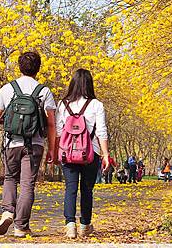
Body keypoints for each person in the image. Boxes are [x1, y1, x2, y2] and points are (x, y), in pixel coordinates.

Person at [0, 52, 57, 238]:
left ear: (19, 67)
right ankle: (21, 226)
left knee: (10, 178)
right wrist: (52, 149)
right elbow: (51, 124)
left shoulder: (7, 89)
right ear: (38, 68)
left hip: (11, 143)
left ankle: (7, 212)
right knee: (28, 185)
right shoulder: (44, 91)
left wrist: (11, 121)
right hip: (34, 144)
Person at [55, 69, 109, 239]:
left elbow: (58, 131)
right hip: (90, 153)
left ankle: (70, 225)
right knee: (87, 190)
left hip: (68, 153)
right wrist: (105, 154)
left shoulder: (63, 104)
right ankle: (85, 225)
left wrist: (55, 151)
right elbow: (101, 131)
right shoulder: (96, 104)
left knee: (70, 189)